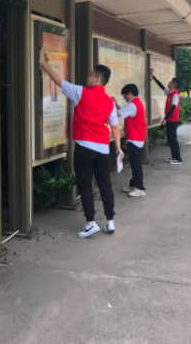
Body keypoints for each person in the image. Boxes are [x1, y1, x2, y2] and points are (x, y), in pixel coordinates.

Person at [40, 50, 123, 238]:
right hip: (103, 149)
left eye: (90, 75)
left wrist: (44, 65)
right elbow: (115, 127)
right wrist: (118, 147)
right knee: (105, 185)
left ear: (97, 78)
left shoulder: (81, 93)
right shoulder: (110, 102)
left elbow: (59, 81)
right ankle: (110, 221)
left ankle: (90, 223)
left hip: (85, 148)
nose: (87, 77)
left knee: (85, 185)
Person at [112, 84, 147, 197]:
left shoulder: (132, 105)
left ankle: (139, 188)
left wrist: (110, 106)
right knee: (134, 163)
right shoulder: (135, 103)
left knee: (136, 164)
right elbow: (122, 112)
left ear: (129, 94)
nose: (124, 97)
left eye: (124, 95)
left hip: (135, 138)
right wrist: (115, 104)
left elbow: (117, 114)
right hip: (136, 137)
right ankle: (134, 184)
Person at [150, 70, 182, 165]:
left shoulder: (175, 95)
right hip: (170, 120)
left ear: (173, 84)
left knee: (173, 140)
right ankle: (173, 156)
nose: (168, 83)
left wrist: (165, 118)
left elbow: (173, 107)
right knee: (170, 139)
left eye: (170, 82)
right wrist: (153, 77)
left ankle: (178, 158)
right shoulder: (170, 93)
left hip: (173, 120)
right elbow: (161, 86)